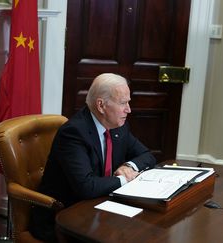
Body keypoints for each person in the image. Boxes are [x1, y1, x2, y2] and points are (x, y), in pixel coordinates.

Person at [30, 73, 157, 241]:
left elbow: (147, 155)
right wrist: (125, 180)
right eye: (123, 103)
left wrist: (128, 167)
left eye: (128, 102)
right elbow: (86, 186)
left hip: (101, 209)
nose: (129, 109)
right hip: (63, 217)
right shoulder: (74, 133)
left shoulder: (118, 126)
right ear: (101, 105)